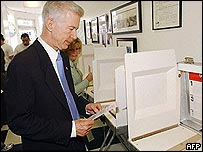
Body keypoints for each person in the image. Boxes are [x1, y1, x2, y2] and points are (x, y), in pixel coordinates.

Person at [5, 1, 102, 151]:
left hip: (76, 143)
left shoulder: (62, 57)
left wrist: (85, 106)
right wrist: (70, 129)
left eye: (76, 29)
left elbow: (67, 95)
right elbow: (19, 121)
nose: (74, 36)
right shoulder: (23, 64)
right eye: (71, 29)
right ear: (50, 24)